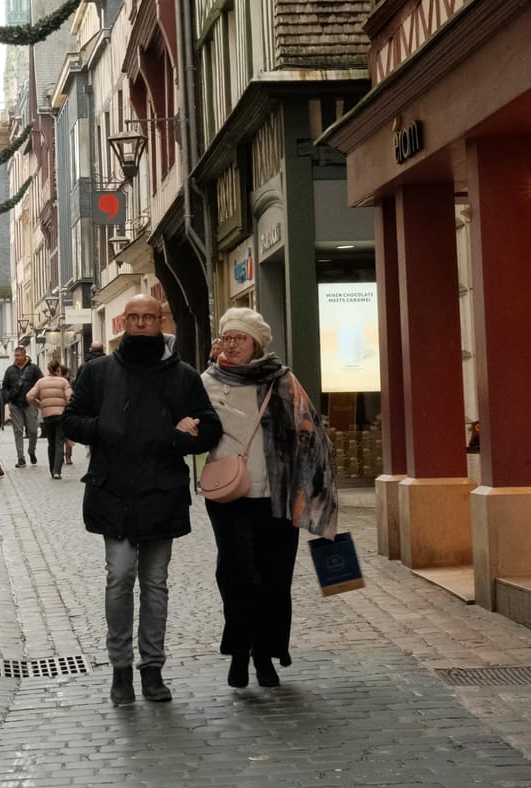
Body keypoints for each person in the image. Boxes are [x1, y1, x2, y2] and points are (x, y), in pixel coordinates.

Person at [60, 294, 222, 704]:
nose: (141, 323)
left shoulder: (182, 375)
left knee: (155, 582)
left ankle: (152, 668)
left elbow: (209, 428)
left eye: (149, 317)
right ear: (123, 323)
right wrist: (106, 427)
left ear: (159, 321)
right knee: (119, 576)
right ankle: (120, 668)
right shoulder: (98, 372)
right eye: (134, 317)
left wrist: (177, 435)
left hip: (161, 491)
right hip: (112, 489)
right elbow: (71, 420)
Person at [201, 307, 333, 689]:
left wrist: (316, 493)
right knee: (238, 574)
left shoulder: (283, 381)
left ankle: (266, 654)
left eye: (239, 338)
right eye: (227, 337)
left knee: (275, 579)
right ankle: (240, 653)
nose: (232, 344)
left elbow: (310, 430)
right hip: (228, 495)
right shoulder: (208, 380)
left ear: (256, 342)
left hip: (277, 495)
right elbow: (191, 424)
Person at [1, 347, 43, 468]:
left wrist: (37, 398)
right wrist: (8, 397)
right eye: (15, 356)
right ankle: (20, 457)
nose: (16, 358)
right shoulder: (10, 370)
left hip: (30, 404)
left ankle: (31, 450)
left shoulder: (34, 369)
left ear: (25, 355)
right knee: (18, 431)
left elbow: (40, 383)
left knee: (33, 430)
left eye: (18, 355)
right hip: (15, 405)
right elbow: (5, 387)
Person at [32, 359, 74, 478]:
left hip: (47, 416)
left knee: (51, 444)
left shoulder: (41, 382)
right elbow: (70, 397)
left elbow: (29, 396)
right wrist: (66, 407)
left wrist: (39, 404)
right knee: (59, 442)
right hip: (61, 415)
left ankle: (52, 470)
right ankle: (57, 471)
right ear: (58, 370)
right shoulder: (63, 382)